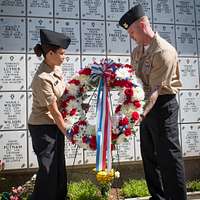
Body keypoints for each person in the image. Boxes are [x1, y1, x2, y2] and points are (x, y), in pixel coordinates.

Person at [119, 4, 187, 200]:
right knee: (149, 155)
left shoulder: (164, 51)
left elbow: (156, 90)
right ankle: (157, 197)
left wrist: (138, 114)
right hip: (143, 105)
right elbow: (133, 80)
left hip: (162, 105)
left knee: (168, 156)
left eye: (132, 31)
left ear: (142, 25)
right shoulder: (136, 51)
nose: (130, 35)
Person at [28, 29, 71, 200]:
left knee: (58, 165)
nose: (64, 57)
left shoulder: (56, 69)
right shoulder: (42, 78)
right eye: (61, 53)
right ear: (50, 53)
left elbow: (64, 96)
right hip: (43, 128)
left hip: (55, 125)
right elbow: (53, 110)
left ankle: (60, 197)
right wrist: (68, 132)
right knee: (48, 169)